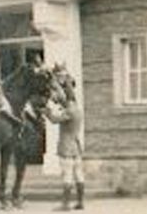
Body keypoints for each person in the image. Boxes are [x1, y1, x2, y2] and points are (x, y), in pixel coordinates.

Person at [45, 73, 84, 211]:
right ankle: (80, 202)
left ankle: (65, 204)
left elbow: (54, 120)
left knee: (67, 175)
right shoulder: (78, 110)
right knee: (78, 174)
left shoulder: (69, 111)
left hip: (66, 147)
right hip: (76, 147)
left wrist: (47, 110)